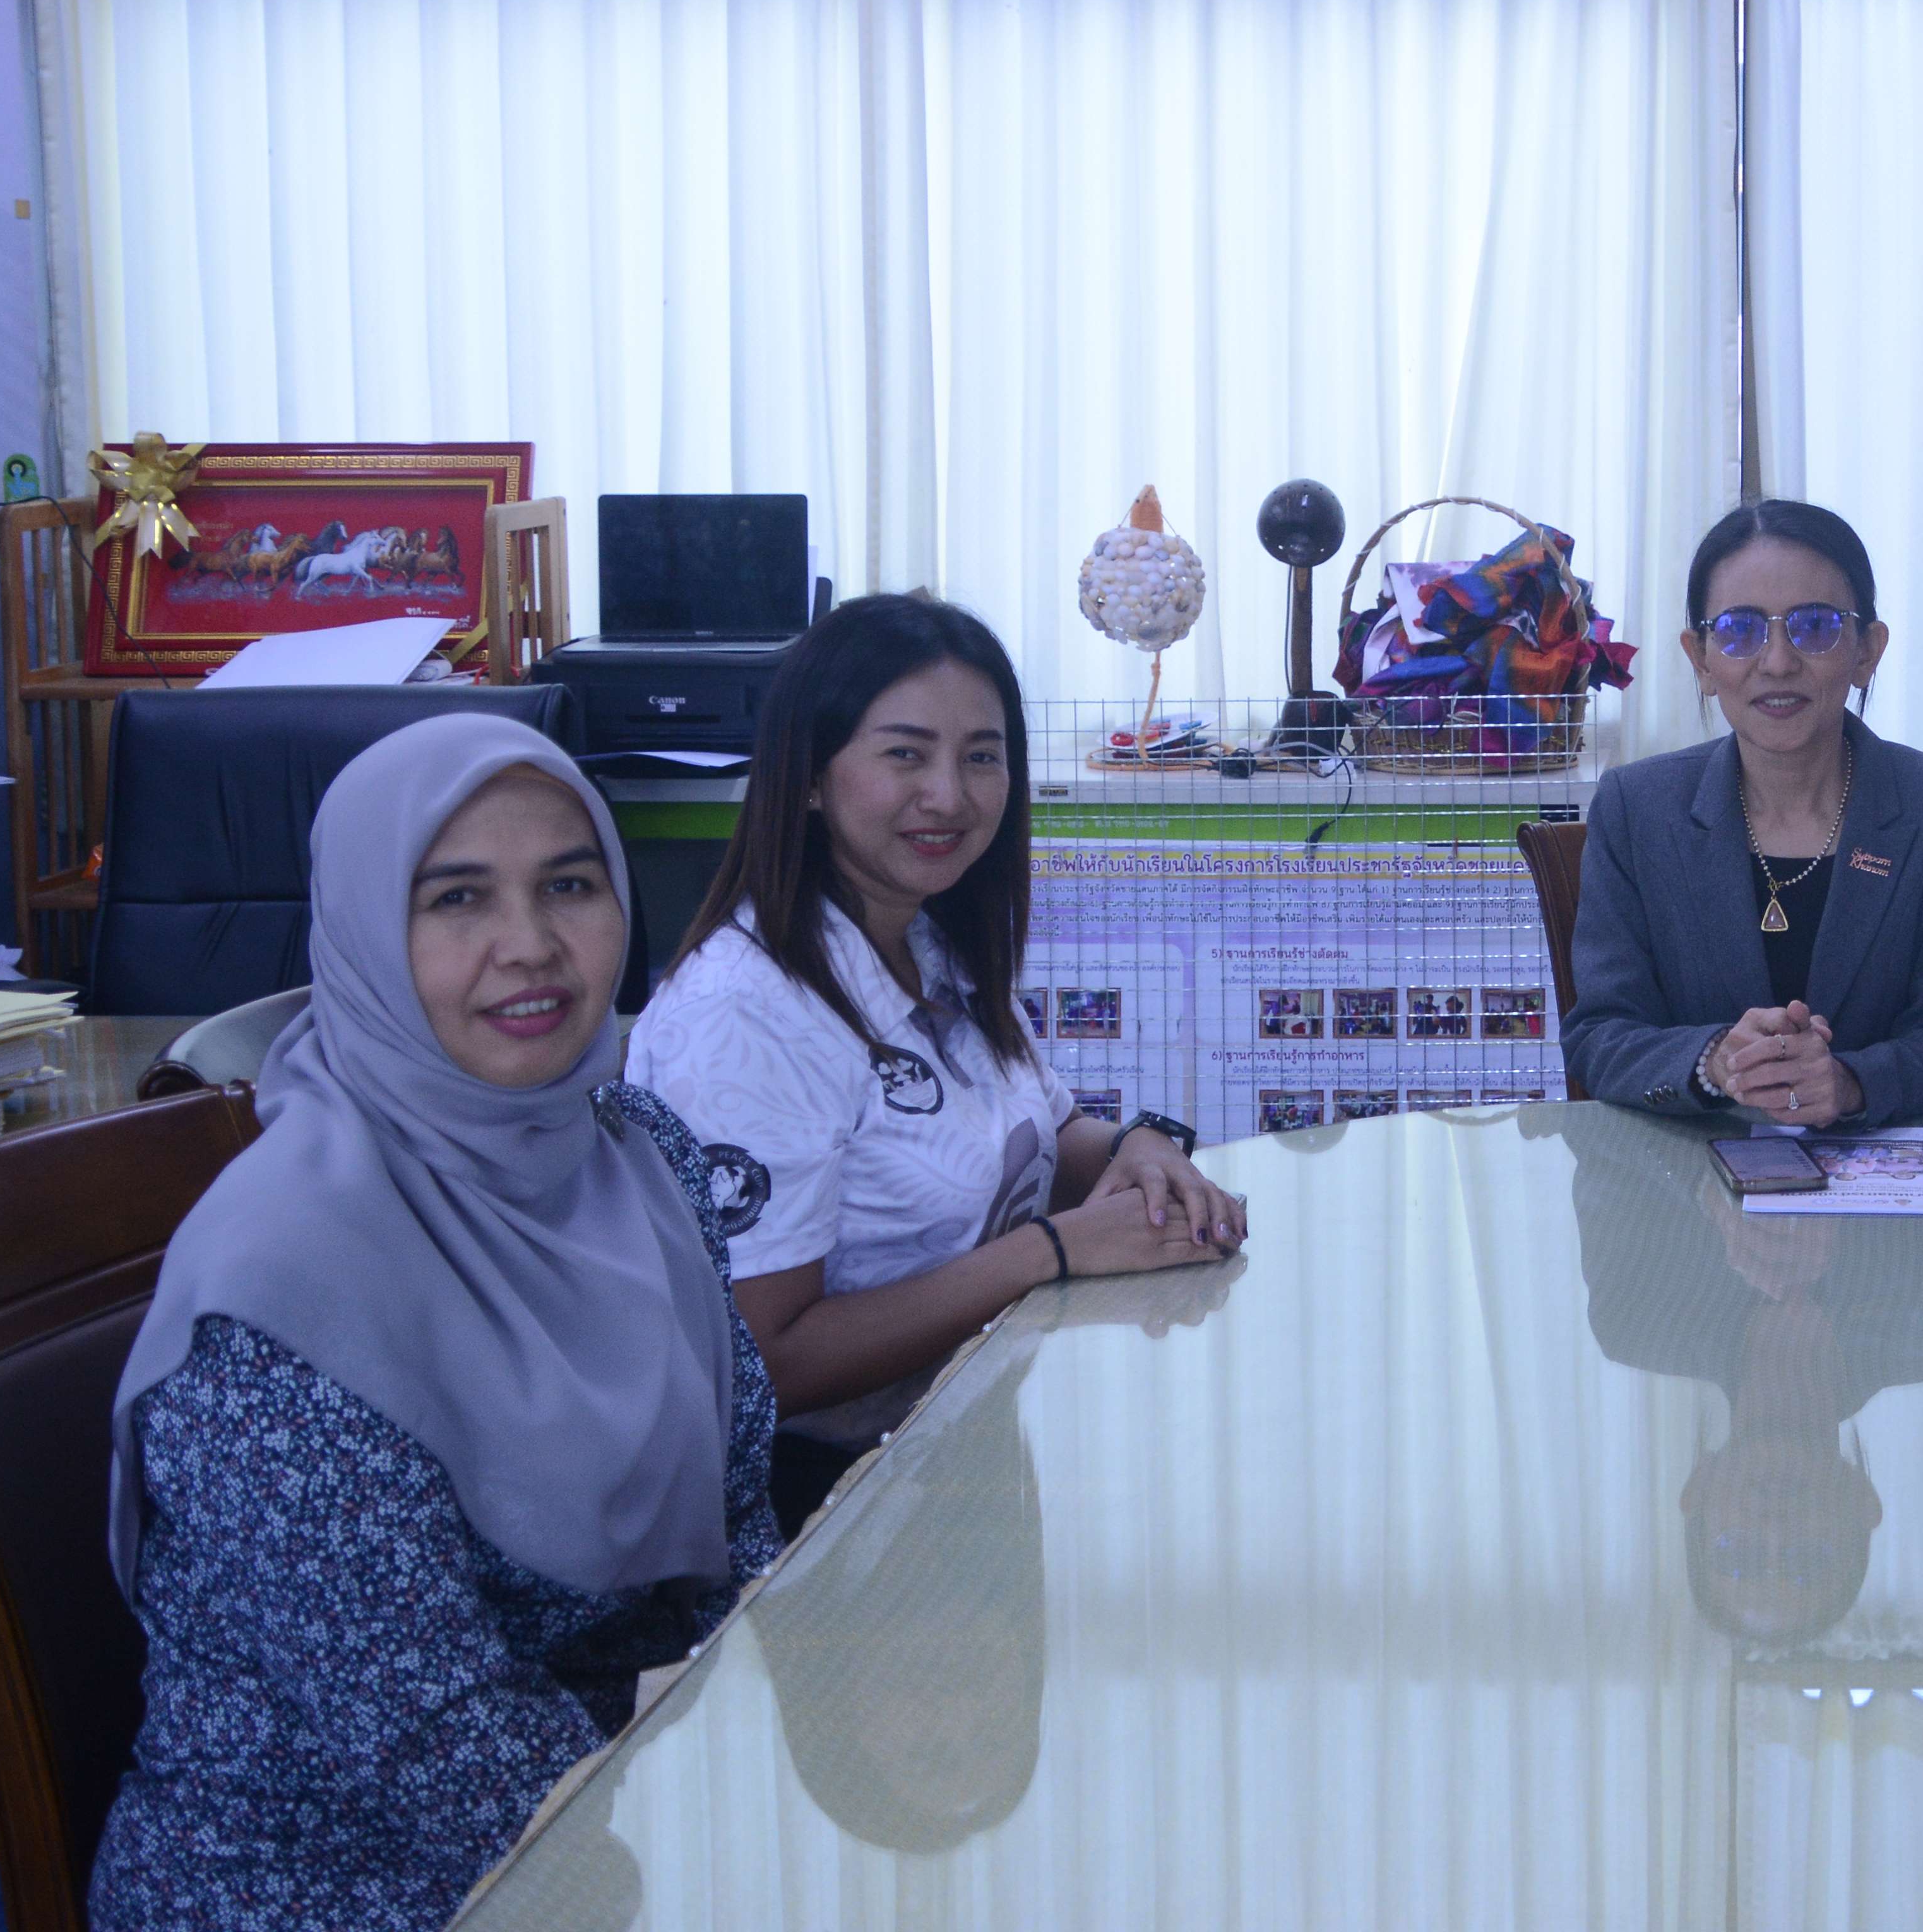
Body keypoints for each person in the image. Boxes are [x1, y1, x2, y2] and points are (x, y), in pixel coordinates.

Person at [93, 717, 778, 1931]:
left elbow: (743, 1530)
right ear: (364, 930)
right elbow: (435, 1745)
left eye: (569, 885)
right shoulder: (282, 1283)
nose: (531, 946)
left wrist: (805, 1727)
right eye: (457, 899)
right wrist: (751, 1857)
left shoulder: (642, 1160)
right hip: (337, 1882)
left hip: (619, 1798)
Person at [627, 594, 1242, 1526]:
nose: (950, 796)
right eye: (905, 754)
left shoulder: (928, 938)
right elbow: (763, 1364)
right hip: (816, 1513)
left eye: (981, 757)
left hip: (959, 1451)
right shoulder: (741, 1014)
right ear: (809, 777)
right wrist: (1051, 1253)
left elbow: (1048, 1132)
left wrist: (1136, 1148)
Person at [1562, 501, 1923, 1126]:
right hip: (1683, 1174)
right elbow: (1601, 1034)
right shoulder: (1637, 810)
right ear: (1701, 659)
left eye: (1814, 626)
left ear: (1867, 651)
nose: (1777, 661)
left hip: (1876, 1178)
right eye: (1740, 630)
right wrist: (1714, 1060)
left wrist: (1849, 1083)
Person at [1542, 1099, 1923, 1644]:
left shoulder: (1637, 1320)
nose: (1775, 1530)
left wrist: (1709, 1186)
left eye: (1739, 1553)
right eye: (1809, 1559)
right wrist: (1842, 1210)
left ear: (1696, 1496)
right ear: (1863, 1506)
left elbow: (1596, 1126)